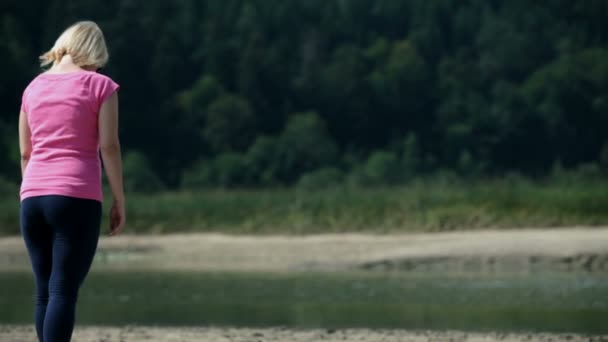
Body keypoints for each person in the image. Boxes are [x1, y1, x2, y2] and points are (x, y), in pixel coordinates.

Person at [18, 21, 125, 342]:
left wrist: (36, 188)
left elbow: (26, 151)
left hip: (33, 197)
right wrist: (119, 199)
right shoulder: (100, 86)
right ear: (95, 52)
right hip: (75, 195)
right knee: (63, 290)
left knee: (43, 292)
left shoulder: (33, 88)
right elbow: (109, 146)